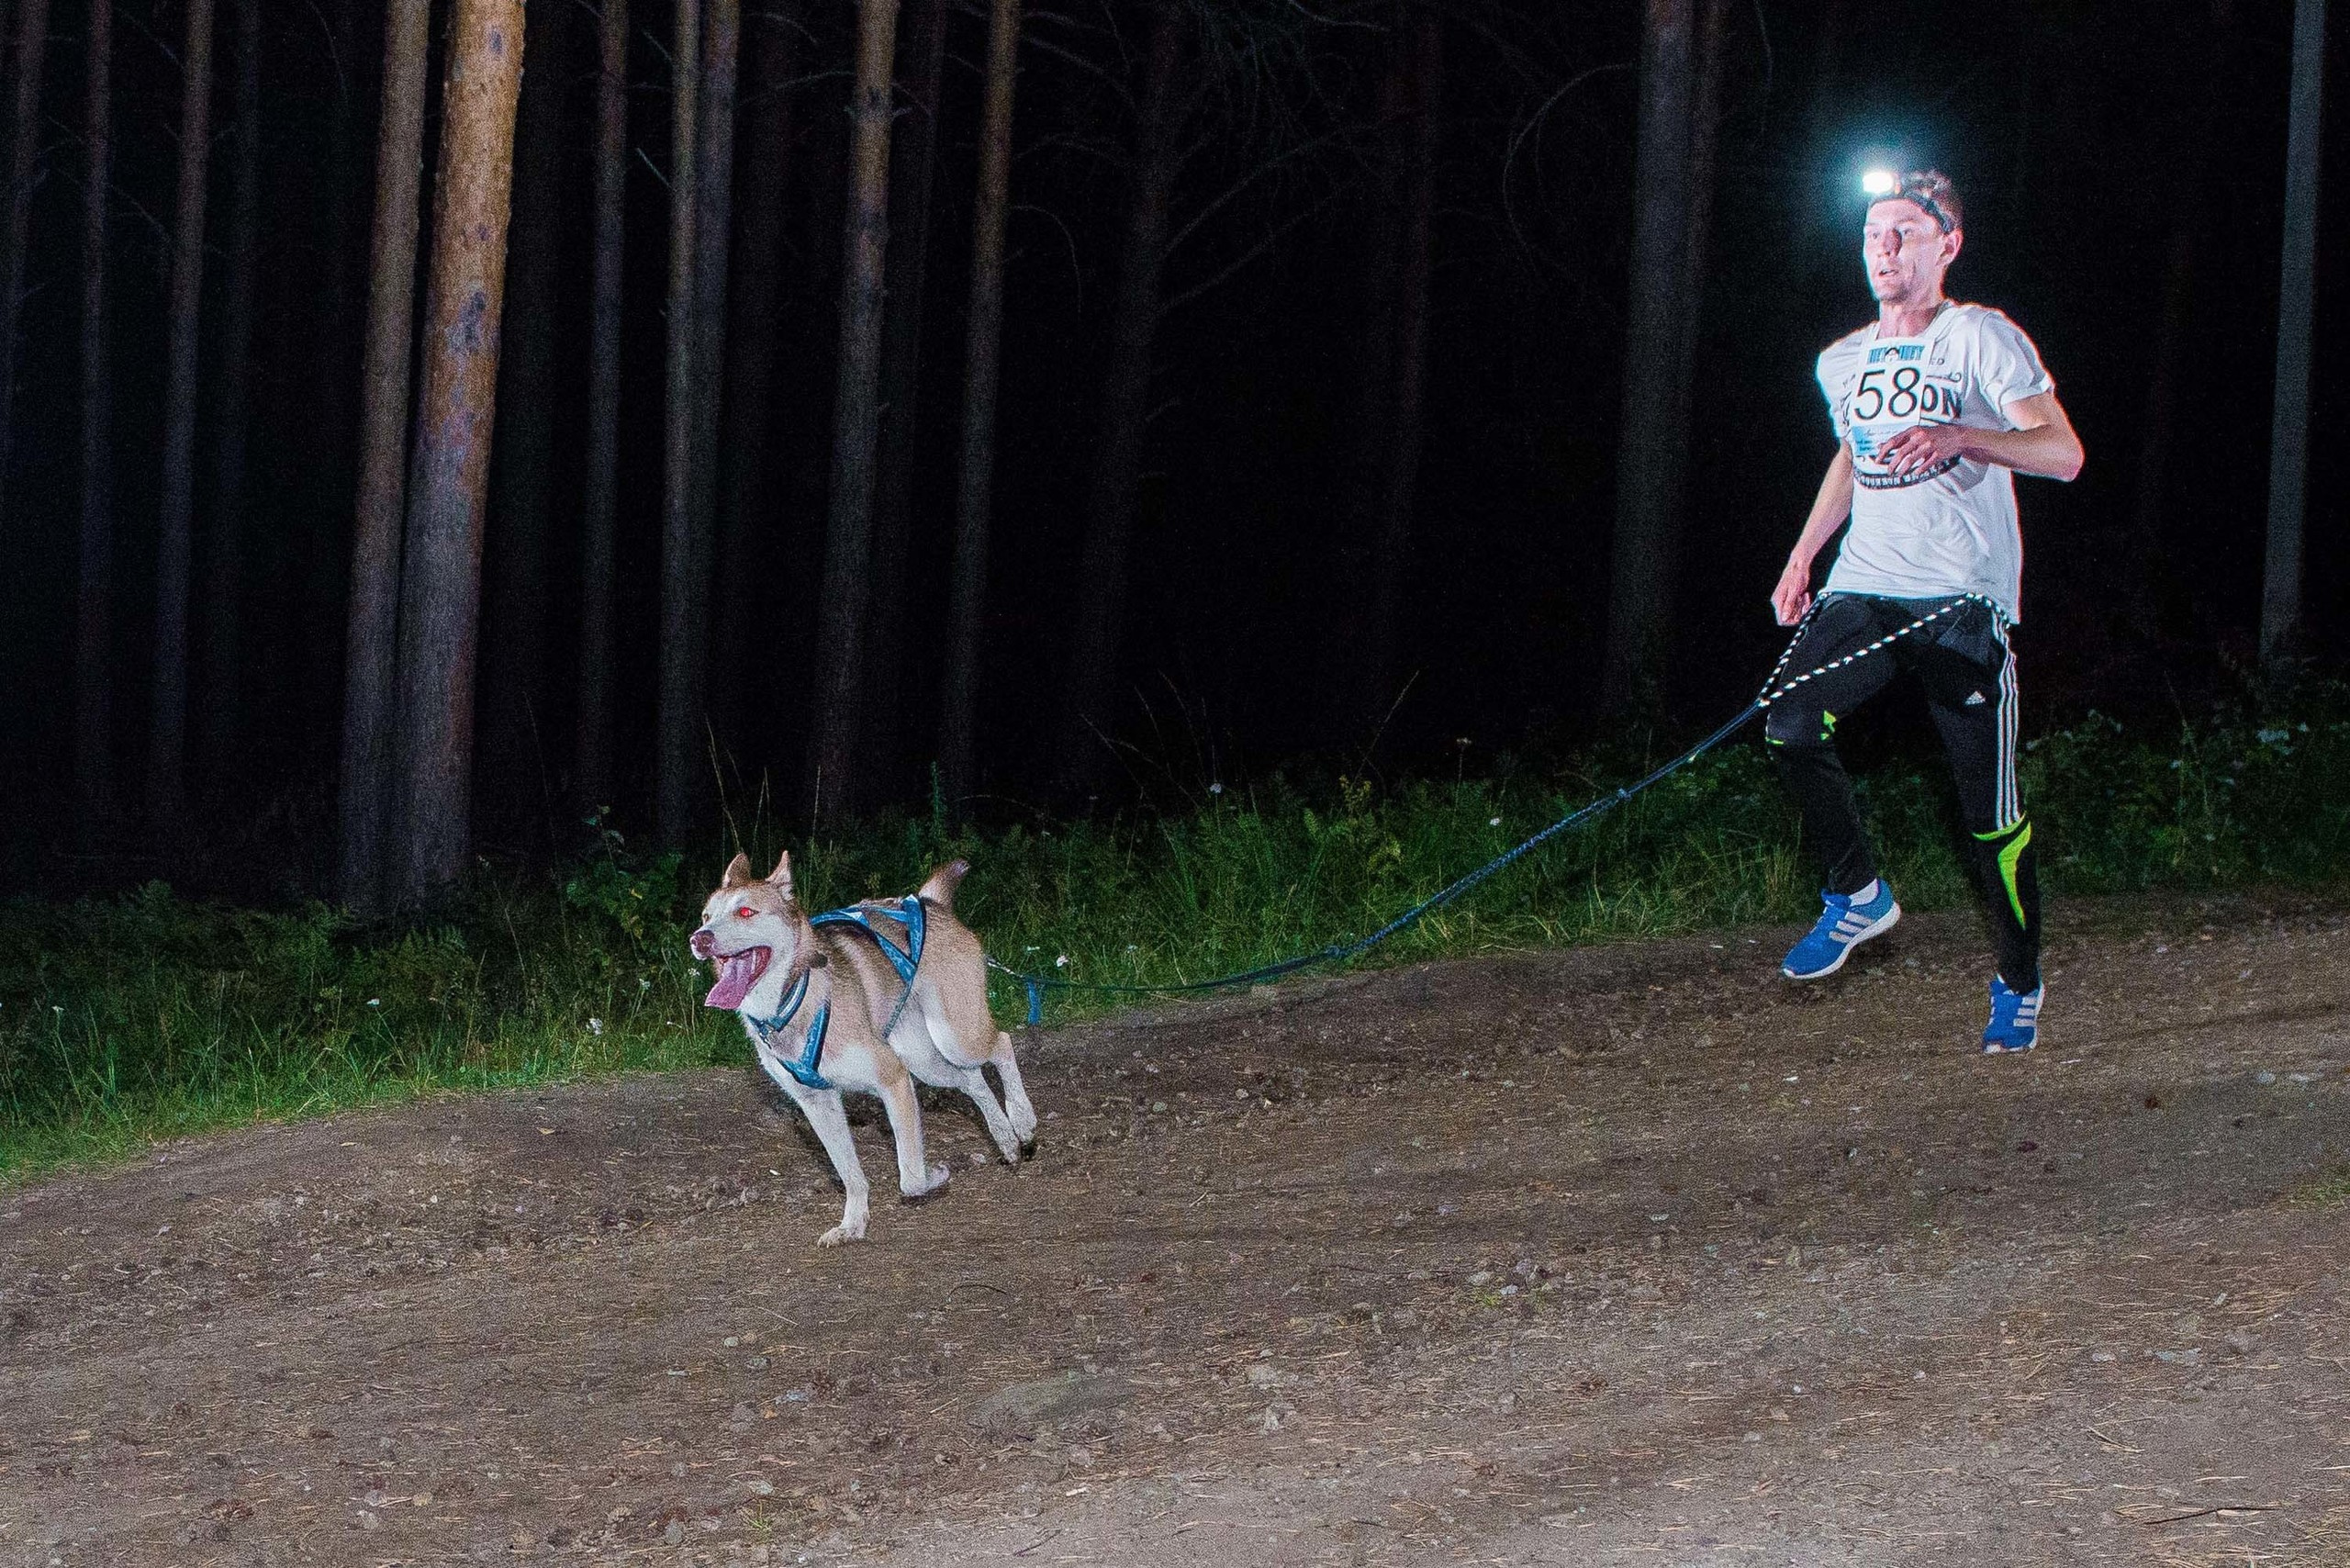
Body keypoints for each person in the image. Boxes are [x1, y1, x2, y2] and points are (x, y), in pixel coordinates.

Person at [1766, 170, 2084, 1053]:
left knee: (1990, 819)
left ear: (1948, 243)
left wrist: (1961, 436)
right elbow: (1850, 459)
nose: (1885, 246)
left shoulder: (1981, 338)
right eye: (1874, 232)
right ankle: (1858, 894)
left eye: (1906, 230)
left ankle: (2019, 982)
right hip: (1864, 586)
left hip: (1960, 602)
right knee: (1789, 724)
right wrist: (1803, 555)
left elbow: (2061, 453)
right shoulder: (1842, 357)